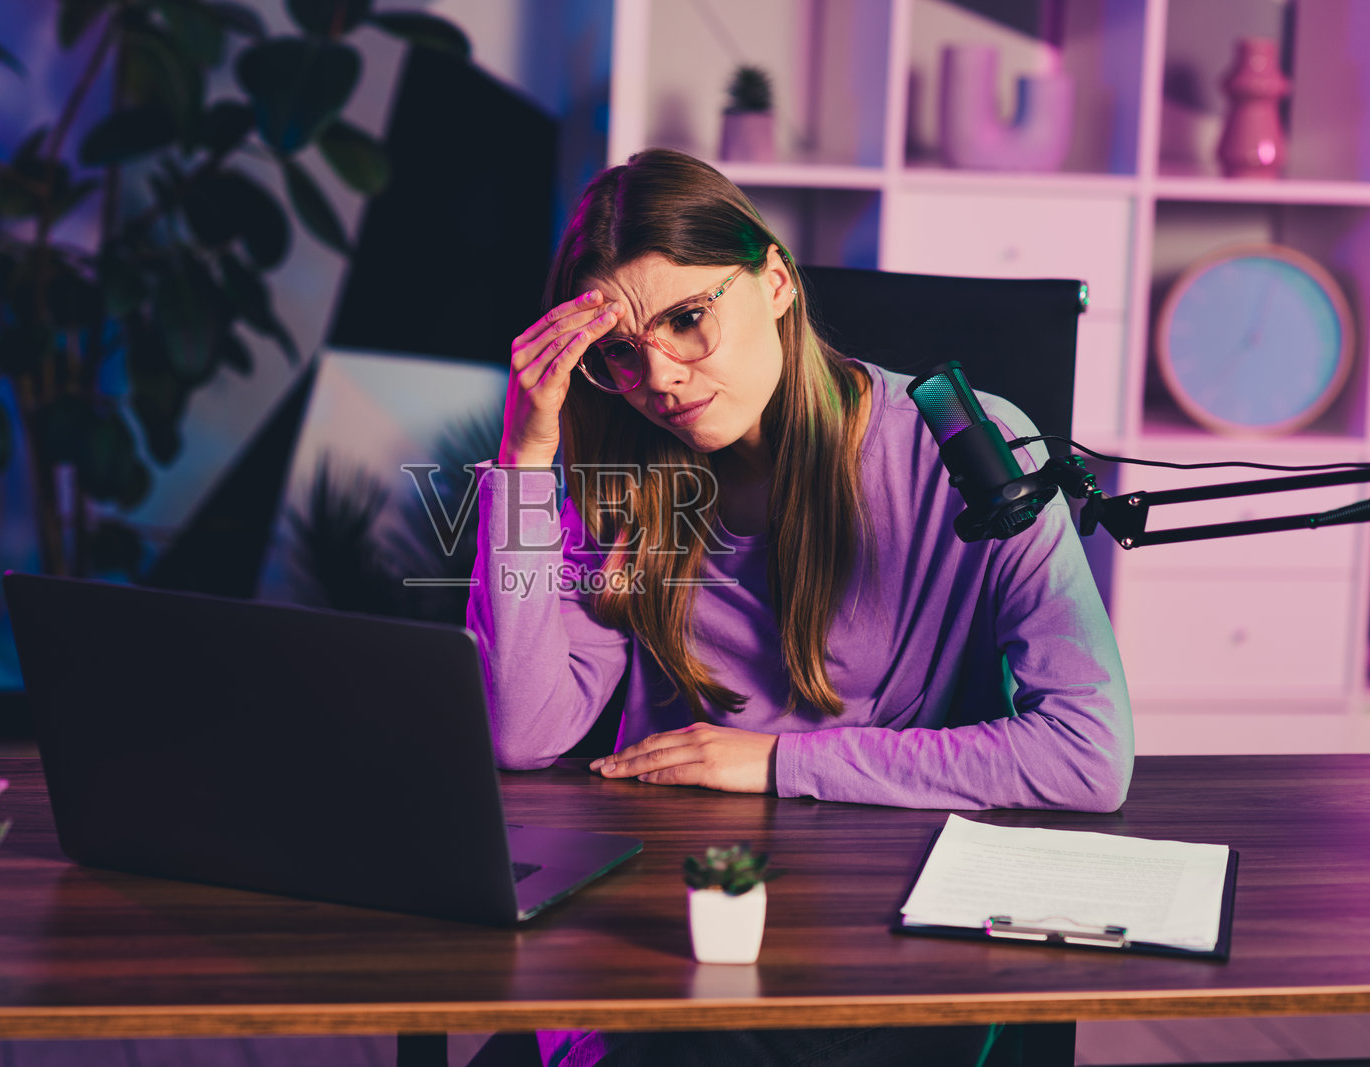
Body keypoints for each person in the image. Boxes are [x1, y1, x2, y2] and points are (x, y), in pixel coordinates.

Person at [463, 148, 1131, 1065]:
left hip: (873, 924)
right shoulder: (622, 471)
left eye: (689, 319)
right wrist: (525, 459)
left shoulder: (966, 448)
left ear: (774, 280)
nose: (658, 378)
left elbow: (1088, 753)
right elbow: (522, 729)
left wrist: (781, 761)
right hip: (677, 916)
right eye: (620, 351)